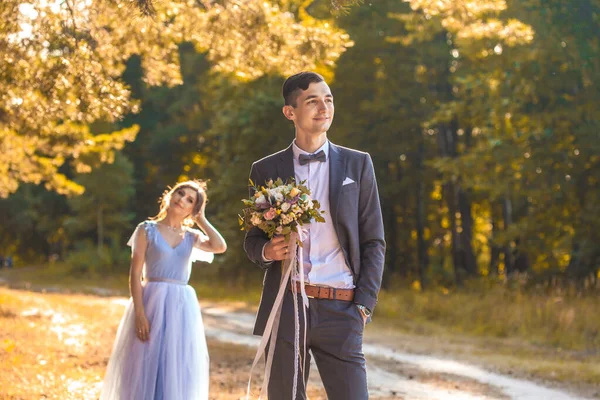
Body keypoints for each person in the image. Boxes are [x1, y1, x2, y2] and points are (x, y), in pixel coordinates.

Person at [243, 71, 385, 399]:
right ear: (290, 112)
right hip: (288, 304)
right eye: (312, 101)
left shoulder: (358, 164)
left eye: (328, 99)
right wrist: (268, 251)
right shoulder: (265, 169)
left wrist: (364, 304)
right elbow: (252, 240)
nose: (324, 107)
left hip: (343, 307)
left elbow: (373, 240)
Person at [100, 180, 227, 400]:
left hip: (181, 306)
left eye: (190, 200)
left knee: (175, 362)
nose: (182, 199)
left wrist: (202, 219)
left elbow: (220, 246)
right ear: (170, 195)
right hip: (151, 301)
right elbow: (135, 273)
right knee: (145, 360)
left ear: (192, 209)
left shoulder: (191, 236)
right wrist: (140, 313)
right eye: (180, 193)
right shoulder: (146, 229)